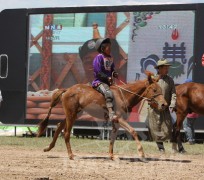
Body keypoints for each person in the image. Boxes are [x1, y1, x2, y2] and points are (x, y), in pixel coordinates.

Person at [147, 58, 176, 152]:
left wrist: (172, 104)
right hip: (154, 108)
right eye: (165, 68)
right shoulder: (152, 79)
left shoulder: (170, 80)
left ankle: (163, 144)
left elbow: (173, 93)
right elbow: (147, 92)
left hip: (165, 108)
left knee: (167, 128)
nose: (167, 69)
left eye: (168, 68)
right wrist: (150, 101)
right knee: (156, 127)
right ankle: (161, 148)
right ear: (159, 68)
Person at [92, 38, 119, 122]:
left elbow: (112, 69)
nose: (110, 49)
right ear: (102, 48)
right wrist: (107, 77)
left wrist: (114, 73)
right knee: (108, 92)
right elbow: (98, 72)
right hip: (99, 82)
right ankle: (111, 113)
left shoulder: (110, 58)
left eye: (110, 47)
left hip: (109, 82)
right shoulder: (99, 57)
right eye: (108, 47)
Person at [183, 79, 199, 145]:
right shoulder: (196, 92)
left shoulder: (189, 93)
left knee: (187, 126)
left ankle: (190, 140)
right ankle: (192, 140)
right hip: (195, 113)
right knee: (191, 126)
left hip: (189, 113)